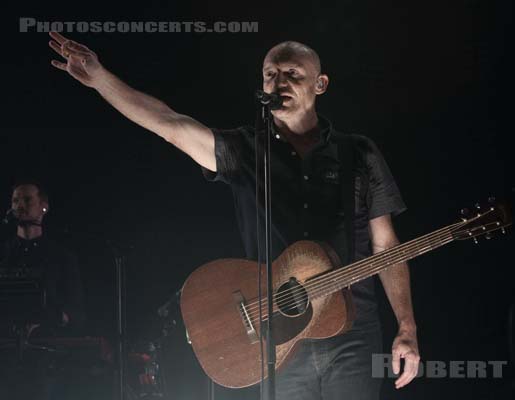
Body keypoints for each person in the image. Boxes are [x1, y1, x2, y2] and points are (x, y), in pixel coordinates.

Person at [48, 31, 420, 399]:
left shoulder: (358, 152)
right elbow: (169, 125)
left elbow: (385, 245)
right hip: (277, 331)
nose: (280, 82)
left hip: (351, 329)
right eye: (271, 74)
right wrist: (100, 79)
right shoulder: (244, 150)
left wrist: (407, 327)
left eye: (293, 73)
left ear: (320, 84)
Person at [0, 181, 85, 400]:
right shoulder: (4, 254)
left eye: (27, 200)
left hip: (46, 359)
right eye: (16, 200)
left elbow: (76, 311)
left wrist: (50, 319)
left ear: (43, 207)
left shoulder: (62, 257)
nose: (20, 206)